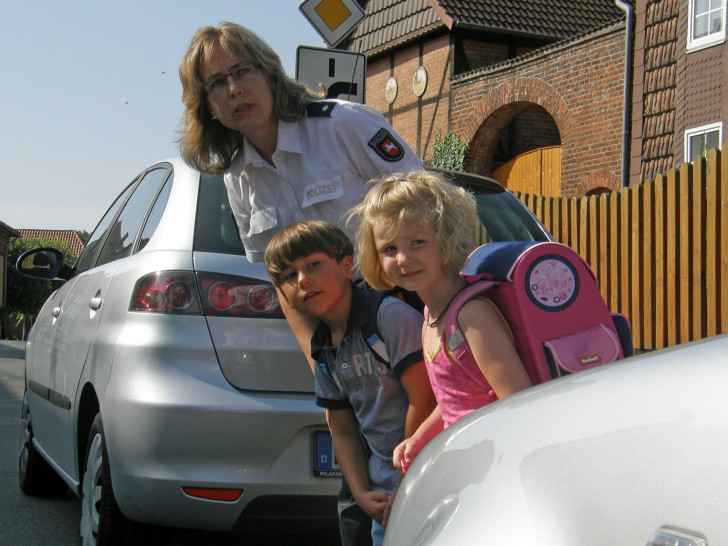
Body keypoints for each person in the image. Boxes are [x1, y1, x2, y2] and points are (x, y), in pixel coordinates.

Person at [178, 23, 423, 545]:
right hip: (347, 358)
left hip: (409, 335)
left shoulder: (343, 125)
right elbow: (279, 282)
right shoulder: (237, 178)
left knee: (425, 495)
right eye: (216, 83)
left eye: (242, 71)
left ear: (269, 73)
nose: (234, 89)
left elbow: (427, 210)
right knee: (361, 509)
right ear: (208, 107)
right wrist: (320, 361)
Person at [264, 220, 436, 546]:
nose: (302, 279)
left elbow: (424, 399)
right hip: (384, 492)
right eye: (288, 276)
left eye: (313, 264)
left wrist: (405, 480)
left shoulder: (387, 316)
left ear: (347, 265)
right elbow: (341, 429)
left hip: (426, 476)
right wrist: (361, 493)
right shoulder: (324, 349)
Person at [350, 169, 533, 472]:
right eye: (390, 249)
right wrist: (419, 439)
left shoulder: (472, 316)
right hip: (468, 463)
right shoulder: (431, 317)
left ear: (447, 237)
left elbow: (519, 404)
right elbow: (455, 400)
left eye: (418, 242)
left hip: (495, 465)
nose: (403, 259)